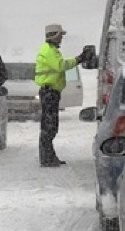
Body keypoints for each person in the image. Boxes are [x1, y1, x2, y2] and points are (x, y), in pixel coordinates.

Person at [35, 24, 88, 167]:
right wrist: (79, 59)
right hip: (49, 92)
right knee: (49, 126)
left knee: (50, 126)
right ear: (54, 35)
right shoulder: (49, 51)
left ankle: (49, 156)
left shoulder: (50, 50)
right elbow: (60, 65)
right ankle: (47, 158)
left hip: (50, 92)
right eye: (60, 35)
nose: (61, 38)